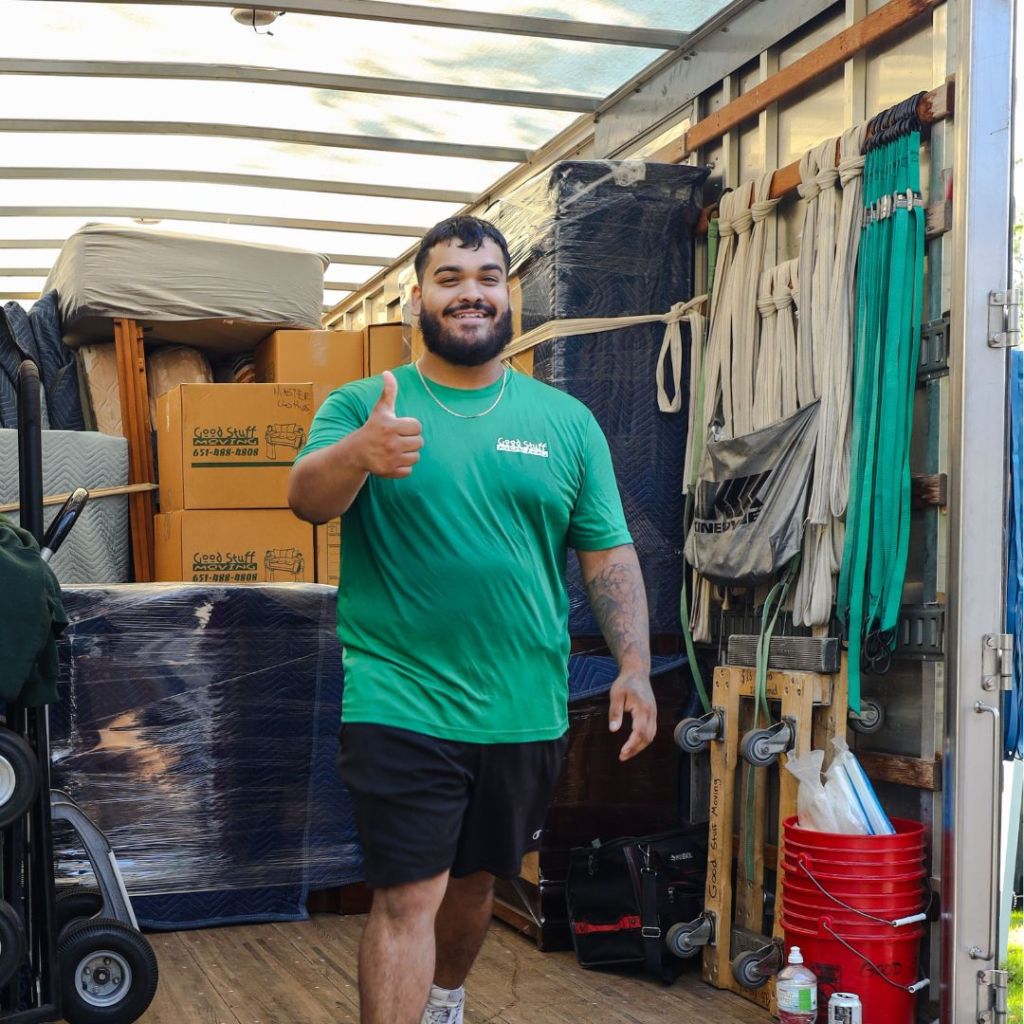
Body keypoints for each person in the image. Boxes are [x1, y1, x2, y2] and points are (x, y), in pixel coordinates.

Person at [288, 216, 657, 1024]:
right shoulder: (364, 405)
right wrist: (358, 454)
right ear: (416, 298)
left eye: (487, 277)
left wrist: (633, 666)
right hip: (400, 695)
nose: (470, 294)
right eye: (449, 278)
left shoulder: (565, 421)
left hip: (522, 703)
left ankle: (445, 1000)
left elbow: (606, 552)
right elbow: (306, 499)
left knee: (477, 881)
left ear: (509, 293)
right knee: (407, 892)